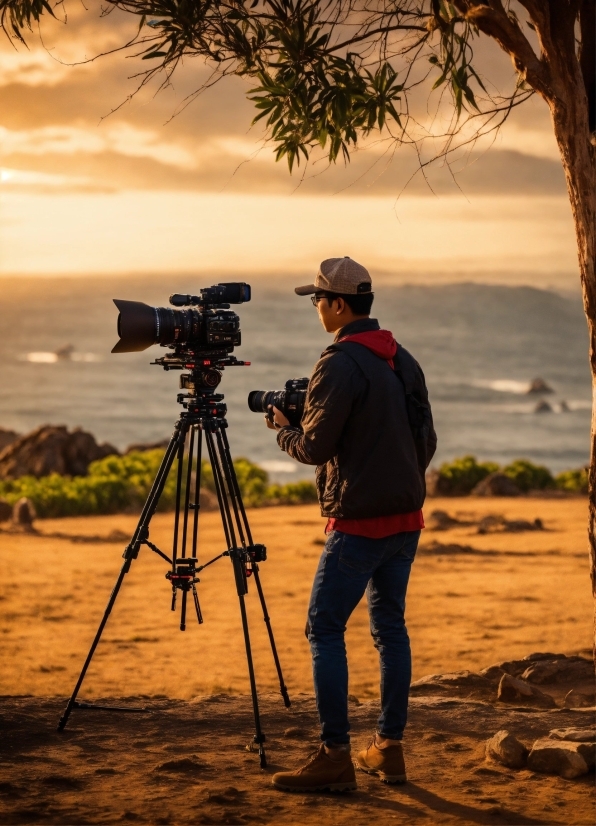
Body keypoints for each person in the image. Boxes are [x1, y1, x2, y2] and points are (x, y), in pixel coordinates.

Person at [264, 256, 436, 792]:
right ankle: (388, 749)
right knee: (390, 630)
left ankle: (335, 755)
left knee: (324, 628)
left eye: (317, 299)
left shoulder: (337, 363)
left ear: (339, 304)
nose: (316, 308)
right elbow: (424, 442)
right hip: (405, 520)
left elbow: (315, 447)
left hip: (359, 526)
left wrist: (284, 430)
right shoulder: (401, 358)